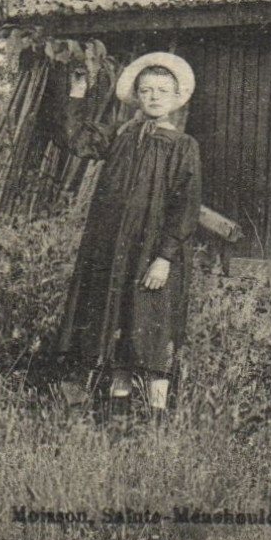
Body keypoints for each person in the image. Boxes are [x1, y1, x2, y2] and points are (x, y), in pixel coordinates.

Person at [55, 52, 202, 411]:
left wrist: (164, 258)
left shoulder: (183, 146)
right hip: (113, 250)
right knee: (119, 325)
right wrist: (77, 93)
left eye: (162, 91)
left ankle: (156, 420)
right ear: (136, 95)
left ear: (176, 97)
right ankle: (116, 419)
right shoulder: (120, 135)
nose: (153, 97)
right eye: (146, 90)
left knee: (153, 328)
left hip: (153, 254)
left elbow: (186, 207)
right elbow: (76, 139)